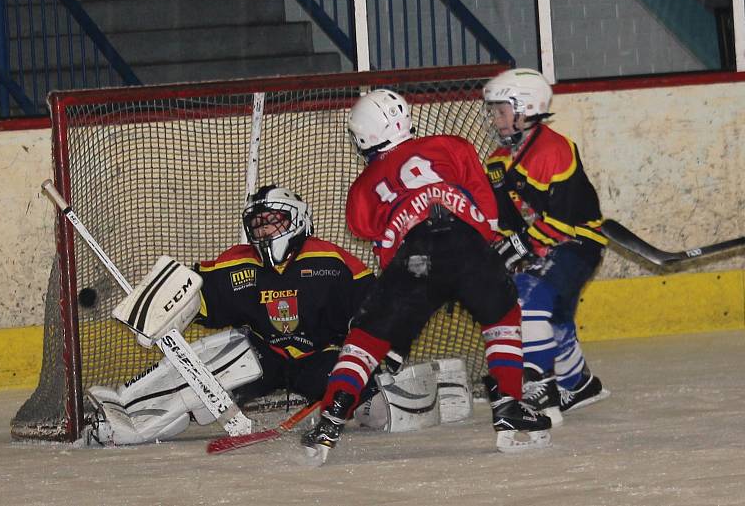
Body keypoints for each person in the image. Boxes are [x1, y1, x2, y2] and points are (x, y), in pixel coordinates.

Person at [301, 88, 552, 464]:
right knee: (501, 316)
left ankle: (332, 417)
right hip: (464, 243)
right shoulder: (450, 145)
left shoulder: (362, 187)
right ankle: (509, 409)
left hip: (413, 258)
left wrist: (399, 319)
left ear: (364, 135)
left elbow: (373, 235)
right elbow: (486, 212)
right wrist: (472, 271)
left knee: (366, 339)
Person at [84, 185, 376, 445]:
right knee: (211, 361)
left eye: (273, 222)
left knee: (379, 407)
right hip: (266, 355)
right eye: (258, 225)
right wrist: (163, 305)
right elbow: (195, 292)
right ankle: (126, 412)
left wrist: (371, 351)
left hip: (321, 357)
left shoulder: (331, 261)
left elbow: (377, 308)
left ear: (297, 219)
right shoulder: (238, 264)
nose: (264, 231)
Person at [482, 68, 611, 424]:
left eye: (500, 110)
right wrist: (500, 247)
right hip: (542, 246)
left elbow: (562, 220)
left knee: (527, 296)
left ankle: (539, 387)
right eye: (492, 110)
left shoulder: (554, 149)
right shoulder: (497, 161)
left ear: (525, 108)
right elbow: (505, 221)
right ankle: (579, 385)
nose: (494, 118)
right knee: (554, 316)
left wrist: (521, 248)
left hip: (576, 242)